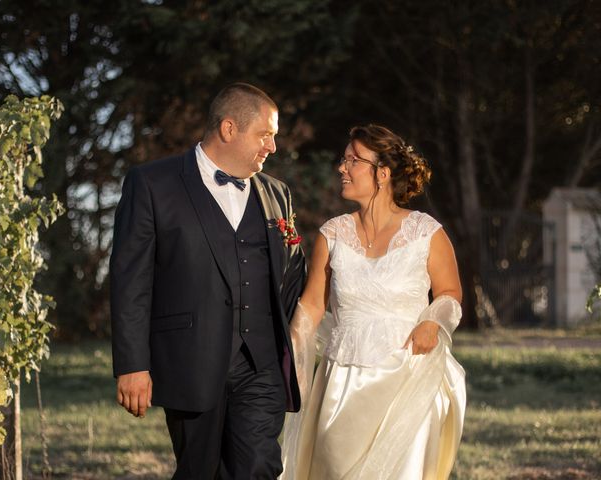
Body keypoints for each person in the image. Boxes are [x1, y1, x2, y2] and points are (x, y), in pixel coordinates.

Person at [110, 83, 306, 479]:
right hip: (189, 360)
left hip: (261, 366)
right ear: (229, 129)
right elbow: (131, 281)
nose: (272, 147)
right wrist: (132, 365)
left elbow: (293, 276)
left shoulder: (277, 194)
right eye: (265, 135)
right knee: (200, 470)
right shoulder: (152, 184)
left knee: (258, 467)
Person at [281, 124, 466, 479]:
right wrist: (290, 353)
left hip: (406, 378)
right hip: (341, 384)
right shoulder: (331, 234)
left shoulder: (427, 232)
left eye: (353, 160)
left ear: (382, 173)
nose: (342, 168)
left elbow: (450, 294)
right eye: (343, 159)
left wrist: (433, 321)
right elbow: (312, 306)